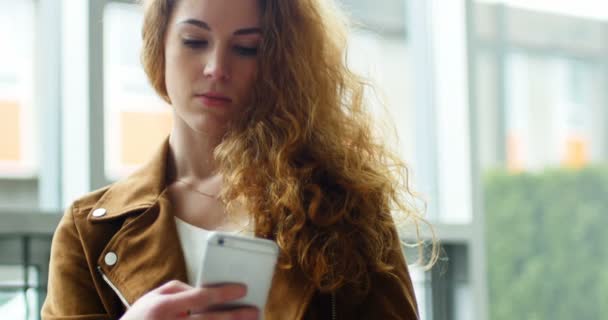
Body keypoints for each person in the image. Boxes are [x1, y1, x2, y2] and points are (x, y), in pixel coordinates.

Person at [42, 0, 437, 319]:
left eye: (246, 48)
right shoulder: (89, 233)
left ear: (279, 64)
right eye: (195, 41)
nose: (216, 68)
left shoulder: (341, 208)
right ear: (158, 46)